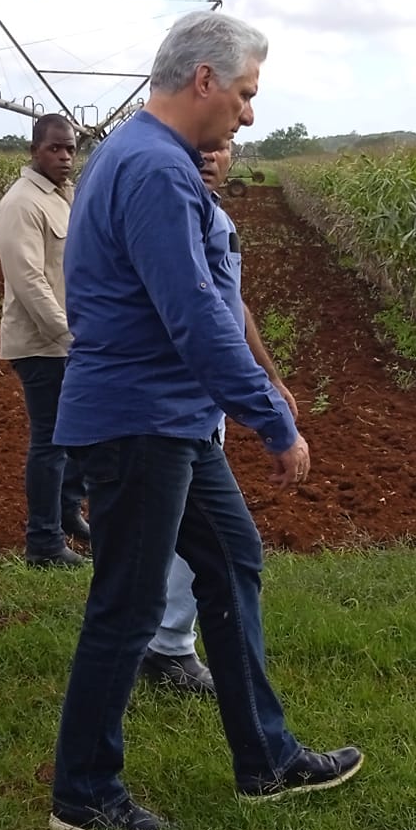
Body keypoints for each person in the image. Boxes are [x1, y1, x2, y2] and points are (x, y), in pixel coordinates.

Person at [48, 10, 361, 830]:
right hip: (141, 420)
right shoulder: (154, 169)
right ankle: (83, 793)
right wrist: (271, 419)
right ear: (205, 81)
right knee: (127, 600)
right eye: (247, 94)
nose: (249, 115)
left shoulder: (151, 159)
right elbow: (193, 313)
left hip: (170, 417)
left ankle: (266, 758)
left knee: (231, 560)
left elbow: (202, 306)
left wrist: (254, 393)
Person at [143, 138, 299, 700]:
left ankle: (160, 641)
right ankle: (166, 646)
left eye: (223, 148)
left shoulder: (219, 218)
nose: (211, 156)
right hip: (171, 408)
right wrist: (265, 410)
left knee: (190, 537)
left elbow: (232, 305)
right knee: (210, 540)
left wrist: (271, 375)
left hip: (200, 405)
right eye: (200, 146)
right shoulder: (170, 214)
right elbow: (196, 316)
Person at [0, 114, 91, 568]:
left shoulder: (61, 198)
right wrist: (70, 337)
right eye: (55, 148)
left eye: (70, 148)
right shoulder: (21, 204)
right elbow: (28, 281)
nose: (65, 157)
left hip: (68, 340)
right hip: (42, 344)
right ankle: (43, 542)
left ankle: (68, 513)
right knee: (50, 442)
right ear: (33, 150)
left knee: (74, 437)